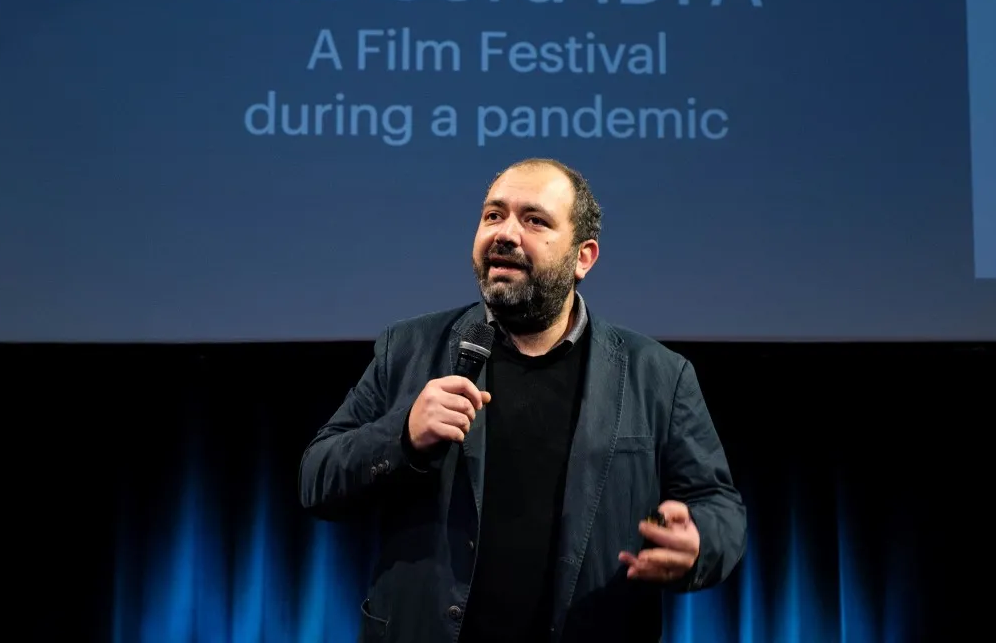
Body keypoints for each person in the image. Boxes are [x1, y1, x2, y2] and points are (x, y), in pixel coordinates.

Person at [298, 158, 746, 643]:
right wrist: (402, 436)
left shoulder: (657, 375)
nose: (505, 233)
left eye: (534, 220)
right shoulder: (408, 348)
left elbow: (717, 504)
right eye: (493, 215)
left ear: (583, 257)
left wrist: (698, 543)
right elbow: (316, 477)